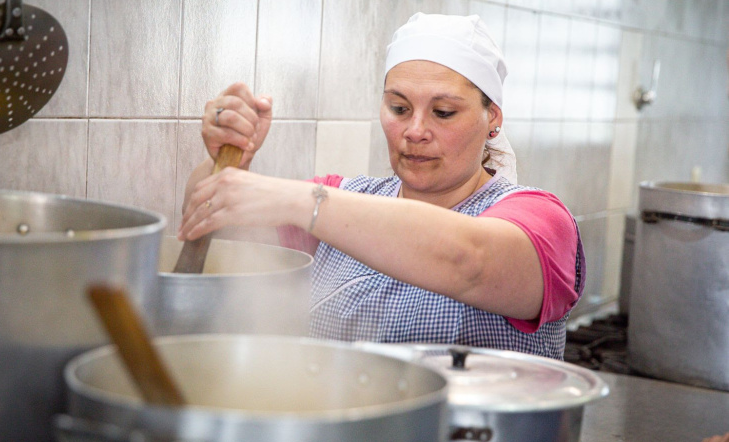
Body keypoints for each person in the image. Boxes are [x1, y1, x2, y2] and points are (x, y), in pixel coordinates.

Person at [178, 13, 585, 360]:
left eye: (443, 112)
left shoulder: (542, 219)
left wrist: (303, 201)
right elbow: (222, 234)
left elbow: (470, 261)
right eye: (399, 108)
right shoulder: (344, 197)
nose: (415, 131)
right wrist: (231, 161)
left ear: (492, 117)